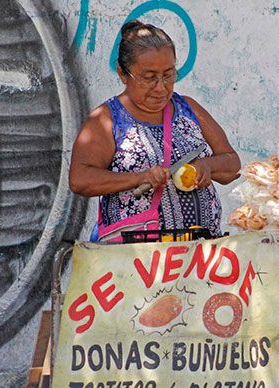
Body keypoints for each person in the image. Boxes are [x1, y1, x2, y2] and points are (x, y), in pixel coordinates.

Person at [69, 20, 240, 239]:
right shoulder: (106, 120)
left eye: (168, 75)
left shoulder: (189, 109)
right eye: (149, 78)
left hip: (198, 260)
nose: (161, 88)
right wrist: (140, 178)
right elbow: (79, 179)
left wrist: (208, 166)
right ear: (123, 74)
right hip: (137, 263)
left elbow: (232, 164)